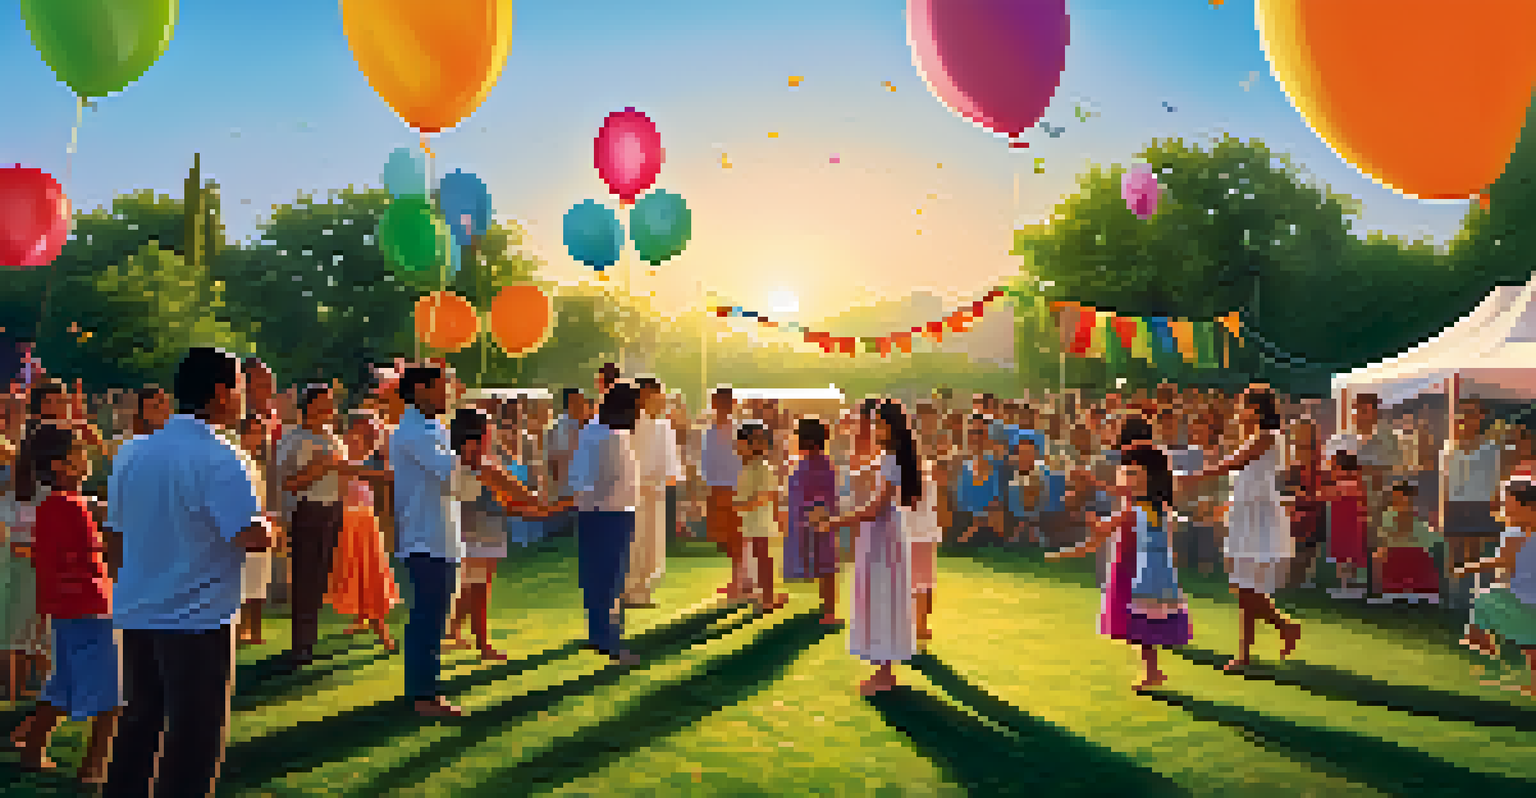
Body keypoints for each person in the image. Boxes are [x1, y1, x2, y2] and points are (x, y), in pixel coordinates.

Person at [104, 347, 274, 798]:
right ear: (220, 392)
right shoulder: (220, 455)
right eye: (239, 386)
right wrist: (271, 527)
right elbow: (250, 535)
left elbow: (114, 536)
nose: (242, 396)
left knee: (138, 725)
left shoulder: (132, 452)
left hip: (139, 609)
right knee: (193, 739)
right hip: (197, 617)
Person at [7, 424, 120, 783]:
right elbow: (84, 560)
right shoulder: (68, 506)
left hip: (69, 607)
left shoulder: (56, 505)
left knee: (64, 684)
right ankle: (94, 770)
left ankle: (32, 750)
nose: (85, 459)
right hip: (89, 606)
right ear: (60, 466)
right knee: (113, 693)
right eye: (78, 453)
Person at [1049, 444, 1192, 691]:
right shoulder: (1152, 507)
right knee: (1143, 625)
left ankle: (1152, 673)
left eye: (1134, 475)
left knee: (1142, 624)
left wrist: (1092, 521)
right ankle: (1153, 671)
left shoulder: (1140, 510)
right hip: (1146, 568)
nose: (1128, 481)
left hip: (1140, 571)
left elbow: (1105, 530)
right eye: (1128, 474)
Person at [1182, 388, 1301, 672]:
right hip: (1247, 513)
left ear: (1255, 409)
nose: (1238, 409)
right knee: (1243, 585)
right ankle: (1266, 638)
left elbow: (1231, 465)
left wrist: (1192, 476)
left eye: (1243, 405)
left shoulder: (1267, 437)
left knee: (1245, 586)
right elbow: (1240, 472)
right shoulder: (1257, 437)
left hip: (1258, 516)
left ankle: (1271, 635)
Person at [823, 401, 918, 697]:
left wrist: (836, 523)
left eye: (878, 424)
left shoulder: (891, 458)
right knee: (882, 596)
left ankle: (885, 672)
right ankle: (882, 669)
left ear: (890, 427)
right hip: (886, 532)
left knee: (881, 597)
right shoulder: (894, 457)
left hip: (882, 534)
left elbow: (877, 508)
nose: (874, 429)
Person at [390, 365, 469, 717]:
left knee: (435, 617)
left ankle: (424, 689)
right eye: (442, 388)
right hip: (425, 536)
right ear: (420, 389)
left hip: (438, 534)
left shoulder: (432, 428)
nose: (448, 394)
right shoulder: (414, 431)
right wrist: (473, 452)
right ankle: (424, 695)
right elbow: (453, 473)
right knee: (428, 617)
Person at [280, 383, 353, 670]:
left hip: (332, 509)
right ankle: (301, 646)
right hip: (307, 510)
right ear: (308, 406)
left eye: (331, 402)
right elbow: (286, 481)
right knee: (305, 578)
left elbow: (346, 473)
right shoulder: (293, 438)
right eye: (323, 402)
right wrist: (317, 470)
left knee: (320, 578)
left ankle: (308, 642)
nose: (329, 408)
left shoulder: (335, 439)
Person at [569, 381, 643, 666]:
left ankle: (599, 635)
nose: (638, 416)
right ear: (621, 409)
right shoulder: (603, 436)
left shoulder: (603, 432)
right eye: (636, 409)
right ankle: (611, 642)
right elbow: (585, 481)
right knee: (610, 580)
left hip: (604, 513)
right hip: (609, 514)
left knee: (598, 579)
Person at [1456, 473, 1536, 699]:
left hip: (1523, 597)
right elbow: (1506, 566)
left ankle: (1479, 638)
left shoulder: (1515, 534)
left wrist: (1470, 567)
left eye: (1508, 503)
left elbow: (1503, 562)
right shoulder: (1514, 532)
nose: (1504, 508)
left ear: (1527, 506)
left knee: (1485, 599)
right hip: (1524, 596)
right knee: (1530, 644)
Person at [326, 411, 400, 652]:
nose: (375, 432)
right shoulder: (348, 446)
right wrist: (385, 474)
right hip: (354, 515)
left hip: (362, 515)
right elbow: (348, 471)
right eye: (371, 426)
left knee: (367, 569)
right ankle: (380, 629)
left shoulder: (361, 447)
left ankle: (365, 619)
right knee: (368, 571)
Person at [625, 378, 682, 608]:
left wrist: (667, 485)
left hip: (655, 492)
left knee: (653, 542)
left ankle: (643, 590)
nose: (658, 401)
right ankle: (627, 591)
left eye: (660, 396)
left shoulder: (663, 425)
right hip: (630, 492)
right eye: (653, 396)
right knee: (633, 541)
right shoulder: (626, 424)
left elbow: (670, 461)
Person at [1443, 398, 1503, 610]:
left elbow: (1496, 480)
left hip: (1481, 504)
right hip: (1455, 505)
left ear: (1481, 417)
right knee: (1455, 553)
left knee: (1477, 554)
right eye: (1464, 413)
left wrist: (1495, 506)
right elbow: (1445, 482)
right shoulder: (1448, 449)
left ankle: (1479, 600)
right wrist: (1442, 510)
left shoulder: (1491, 449)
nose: (1468, 418)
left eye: (1473, 413)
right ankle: (1454, 598)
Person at [785, 417, 841, 625]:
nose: (796, 441)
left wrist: (815, 522)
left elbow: (822, 498)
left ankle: (829, 612)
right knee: (820, 564)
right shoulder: (807, 463)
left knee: (826, 565)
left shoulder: (820, 465)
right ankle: (825, 607)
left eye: (800, 437)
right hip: (806, 521)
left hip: (817, 521)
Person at [702, 387, 748, 600]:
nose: (719, 408)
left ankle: (741, 581)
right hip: (716, 488)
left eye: (723, 404)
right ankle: (740, 579)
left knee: (737, 536)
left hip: (735, 488)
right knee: (726, 538)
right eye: (717, 403)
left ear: (731, 405)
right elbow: (706, 462)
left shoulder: (739, 430)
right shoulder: (710, 431)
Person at [736, 421, 785, 612]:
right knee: (758, 557)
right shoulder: (748, 466)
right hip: (752, 520)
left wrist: (743, 505)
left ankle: (768, 598)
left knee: (763, 558)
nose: (739, 448)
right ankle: (766, 595)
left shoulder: (762, 467)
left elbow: (764, 496)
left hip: (760, 520)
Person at [237, 414, 277, 646]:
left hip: (261, 522)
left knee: (260, 579)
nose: (256, 437)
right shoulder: (235, 458)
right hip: (242, 525)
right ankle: (242, 628)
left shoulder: (259, 462)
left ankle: (256, 630)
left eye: (259, 432)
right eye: (251, 432)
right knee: (243, 578)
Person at [1374, 480, 1441, 603]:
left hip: (1416, 556)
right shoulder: (1388, 515)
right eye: (1395, 497)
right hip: (1396, 557)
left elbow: (1429, 539)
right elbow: (1386, 540)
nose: (1397, 501)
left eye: (1401, 497)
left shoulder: (1420, 516)